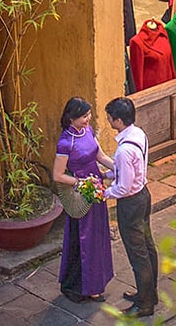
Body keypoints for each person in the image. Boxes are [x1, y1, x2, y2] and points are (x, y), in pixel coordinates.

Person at [52, 97, 112, 303]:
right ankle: (83, 286)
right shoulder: (65, 142)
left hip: (96, 190)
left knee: (98, 235)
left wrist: (120, 167)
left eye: (88, 115)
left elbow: (101, 156)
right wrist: (81, 183)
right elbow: (58, 175)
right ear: (71, 117)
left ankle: (97, 282)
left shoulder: (88, 132)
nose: (88, 119)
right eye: (84, 116)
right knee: (84, 240)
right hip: (82, 193)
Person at [103, 97, 156, 319]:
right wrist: (108, 174)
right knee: (147, 246)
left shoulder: (124, 150)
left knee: (138, 254)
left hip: (131, 203)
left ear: (119, 120)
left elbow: (123, 187)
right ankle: (149, 294)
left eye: (110, 117)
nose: (108, 120)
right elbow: (130, 171)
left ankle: (144, 305)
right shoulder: (138, 134)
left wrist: (104, 193)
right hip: (143, 195)